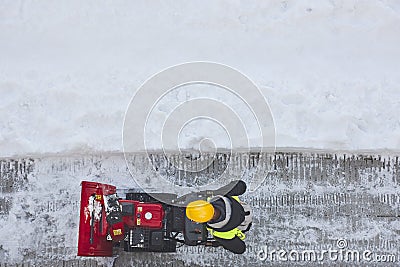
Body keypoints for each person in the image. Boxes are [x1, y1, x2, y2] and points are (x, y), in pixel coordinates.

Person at [185, 180, 252, 254]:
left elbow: (241, 249)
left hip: (242, 221)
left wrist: (220, 243)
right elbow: (242, 185)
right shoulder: (223, 234)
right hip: (240, 210)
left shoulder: (222, 234)